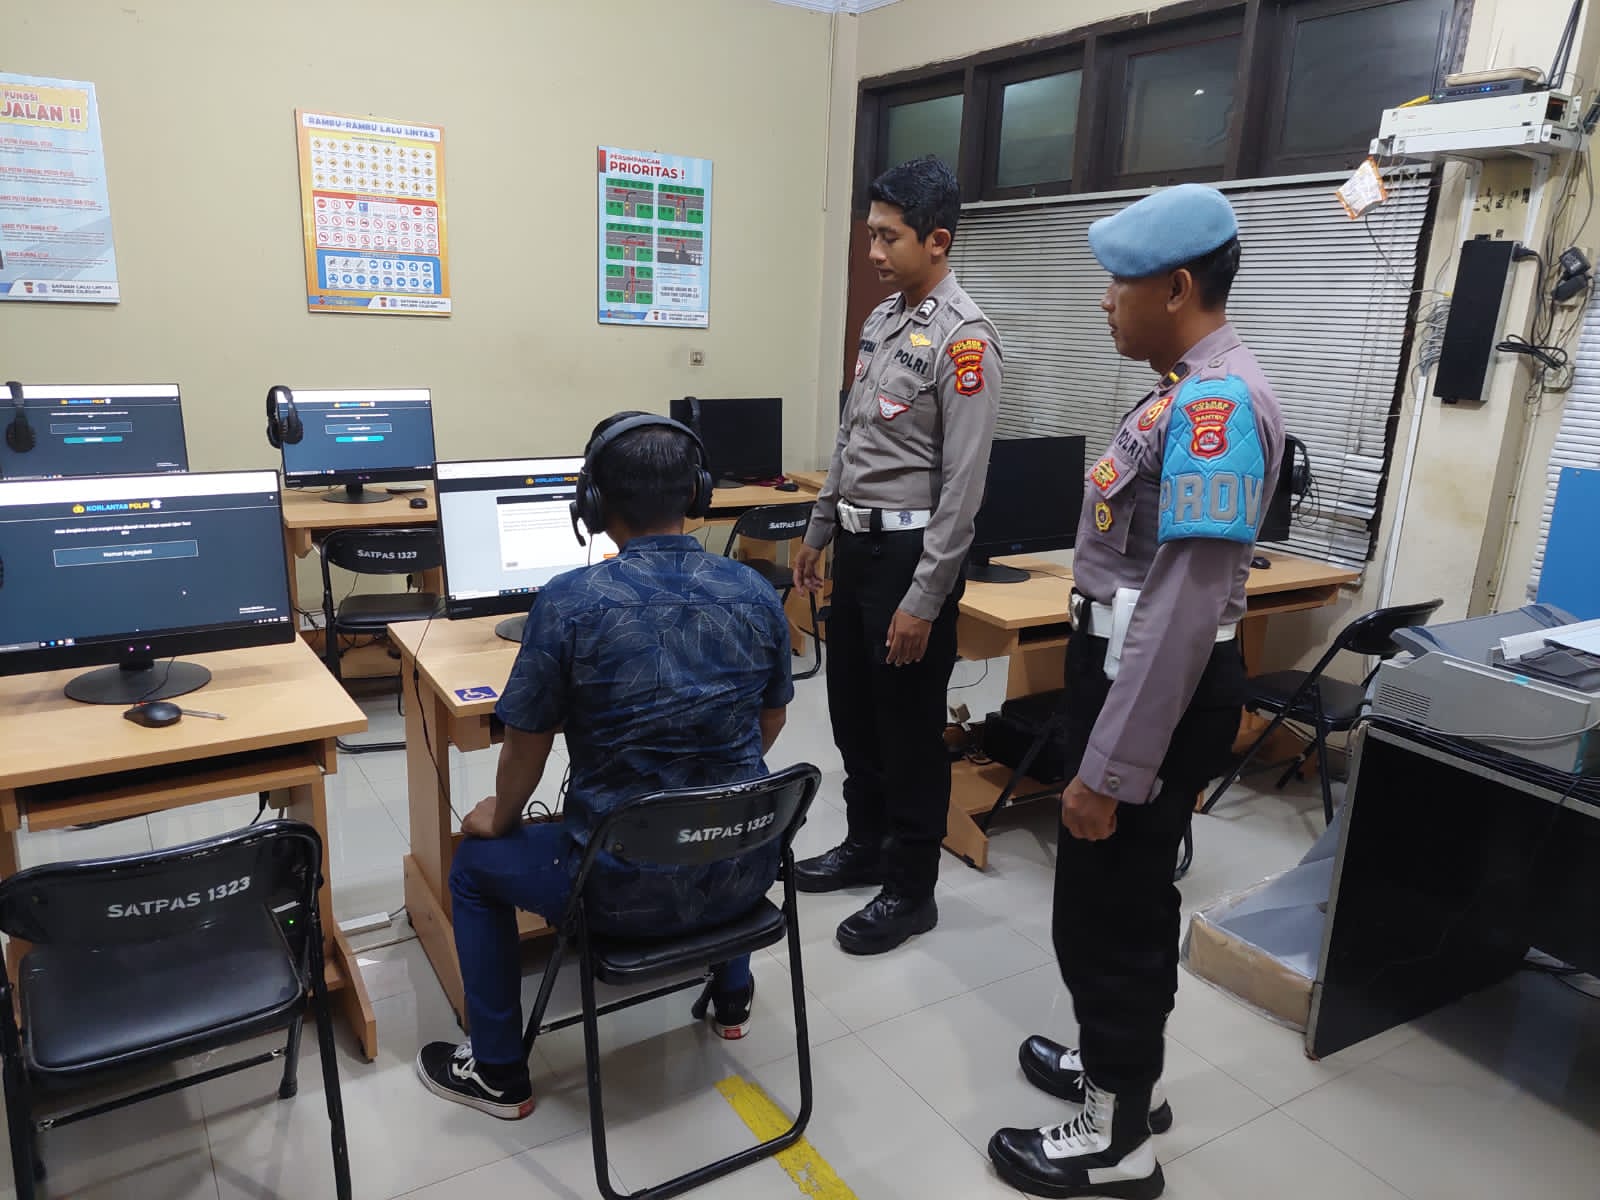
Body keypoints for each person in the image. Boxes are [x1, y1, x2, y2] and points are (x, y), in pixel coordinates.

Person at [987, 185, 1284, 1199]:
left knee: (1106, 912)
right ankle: (1121, 1076)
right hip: (1129, 673)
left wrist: (1108, 769)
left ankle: (1115, 1143)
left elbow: (1184, 607)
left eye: (1118, 282)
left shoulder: (1214, 408)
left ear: (1178, 287)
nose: (1103, 300)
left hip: (1152, 683)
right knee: (1125, 897)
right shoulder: (1180, 388)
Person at [416, 412, 794, 1120]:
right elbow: (770, 720)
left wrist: (500, 815)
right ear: (697, 493)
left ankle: (498, 1072)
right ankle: (732, 1000)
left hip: (619, 893)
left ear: (591, 504)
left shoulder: (569, 602)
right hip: (745, 873)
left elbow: (525, 740)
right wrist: (702, 789)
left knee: (472, 866)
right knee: (725, 805)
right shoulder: (754, 592)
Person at [791, 155, 1003, 955]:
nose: (873, 251)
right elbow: (852, 439)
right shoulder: (882, 320)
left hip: (913, 555)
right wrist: (819, 530)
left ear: (937, 240)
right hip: (857, 544)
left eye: (888, 237)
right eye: (870, 234)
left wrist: (925, 596)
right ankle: (866, 846)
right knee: (852, 713)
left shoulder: (965, 341)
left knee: (908, 731)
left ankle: (912, 889)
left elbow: (964, 487)